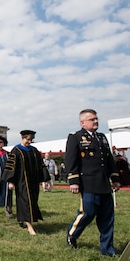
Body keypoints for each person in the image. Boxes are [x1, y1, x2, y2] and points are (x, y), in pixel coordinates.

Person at [65, 109, 121, 257]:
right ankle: (72, 234)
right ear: (82, 122)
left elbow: (109, 160)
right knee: (88, 213)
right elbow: (71, 160)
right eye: (92, 119)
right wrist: (73, 181)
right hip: (87, 183)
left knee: (107, 218)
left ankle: (107, 249)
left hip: (103, 183)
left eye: (96, 119)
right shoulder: (75, 137)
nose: (96, 121)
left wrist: (115, 179)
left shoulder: (102, 137)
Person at [2, 130, 50, 235]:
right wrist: (10, 181)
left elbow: (41, 165)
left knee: (32, 201)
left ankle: (22, 219)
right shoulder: (16, 150)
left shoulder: (34, 150)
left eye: (31, 140)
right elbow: (11, 166)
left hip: (33, 181)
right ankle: (29, 226)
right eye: (27, 139)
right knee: (25, 202)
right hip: (21, 181)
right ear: (22, 138)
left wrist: (46, 179)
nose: (29, 142)